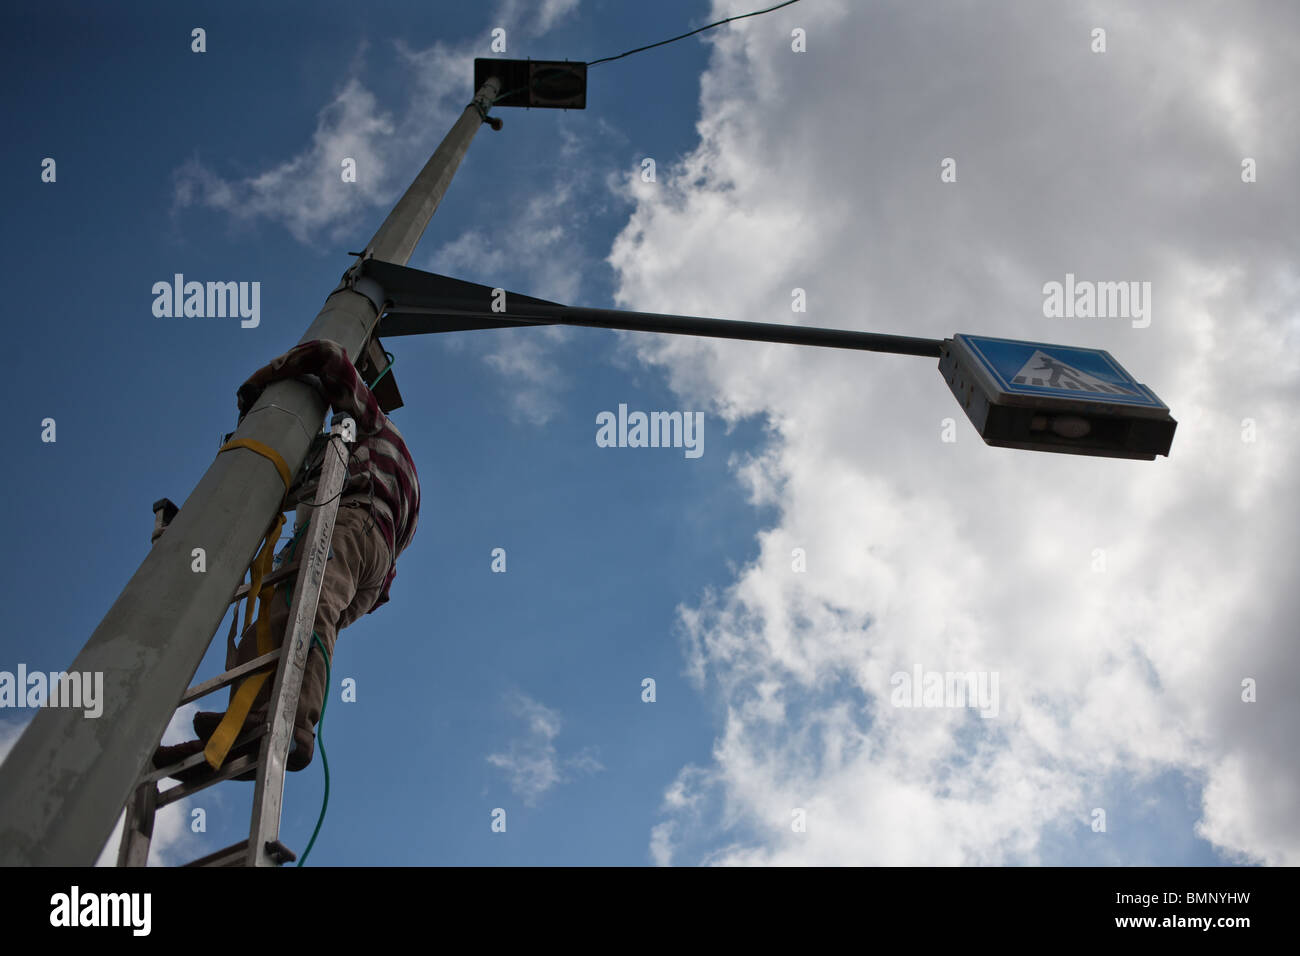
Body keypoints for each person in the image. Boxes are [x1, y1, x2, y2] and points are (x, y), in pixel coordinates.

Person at [154, 339, 420, 782]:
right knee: (285, 622)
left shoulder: (370, 431)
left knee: (302, 606)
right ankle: (247, 722)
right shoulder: (363, 470)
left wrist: (261, 382)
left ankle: (290, 724)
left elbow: (328, 354)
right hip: (373, 565)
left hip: (354, 522)